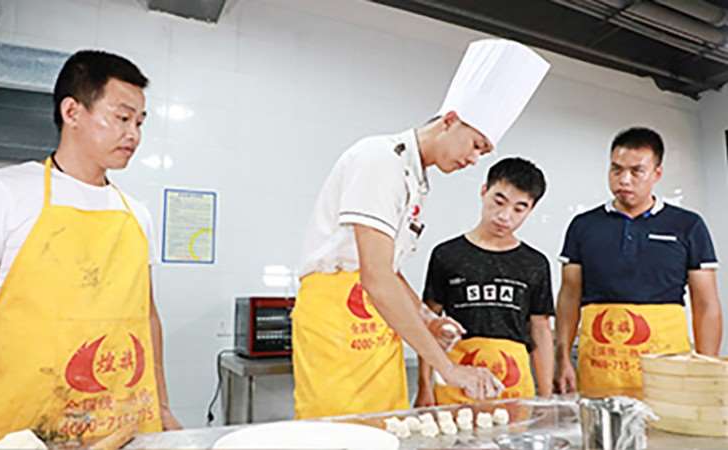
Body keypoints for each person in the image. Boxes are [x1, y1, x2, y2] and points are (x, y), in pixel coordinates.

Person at [293, 39, 550, 419]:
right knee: (338, 431)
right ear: (450, 120)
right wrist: (449, 369)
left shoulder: (415, 179)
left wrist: (428, 320)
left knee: (385, 426)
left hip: (376, 323)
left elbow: (390, 271)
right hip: (338, 320)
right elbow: (376, 277)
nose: (474, 159)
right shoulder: (380, 160)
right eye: (476, 145)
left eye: (483, 152)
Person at [0, 50, 181, 447]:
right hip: (27, 433)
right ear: (72, 112)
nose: (134, 135)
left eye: (140, 122)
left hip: (126, 426)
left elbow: (147, 316)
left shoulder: (135, 213)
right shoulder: (1, 192)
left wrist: (163, 404)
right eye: (122, 118)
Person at [554, 127, 723, 397]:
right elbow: (569, 295)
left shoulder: (688, 225)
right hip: (601, 368)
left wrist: (706, 368)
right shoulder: (583, 225)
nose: (624, 180)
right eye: (616, 169)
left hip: (667, 371)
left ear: (657, 173)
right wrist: (562, 358)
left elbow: (706, 303)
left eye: (636, 171)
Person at [415, 157, 555, 406]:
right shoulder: (447, 255)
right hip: (456, 381)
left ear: (531, 210)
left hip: (514, 386)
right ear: (483, 191)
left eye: (519, 209)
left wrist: (547, 399)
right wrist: (424, 387)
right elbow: (429, 323)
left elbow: (540, 330)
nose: (504, 216)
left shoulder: (534, 263)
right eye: (498, 202)